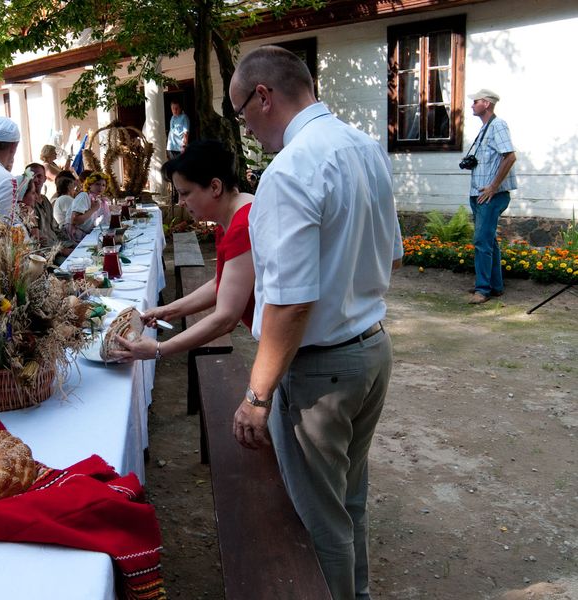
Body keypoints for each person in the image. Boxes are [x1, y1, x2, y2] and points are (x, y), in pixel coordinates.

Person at [228, 46, 402, 600]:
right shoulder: (365, 147)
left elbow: (290, 303)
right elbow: (393, 255)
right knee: (348, 498)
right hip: (371, 349)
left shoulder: (290, 170)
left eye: (240, 112)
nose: (245, 127)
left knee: (318, 519)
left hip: (320, 369)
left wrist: (257, 396)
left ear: (263, 96)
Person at [108, 140, 255, 361]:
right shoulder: (231, 218)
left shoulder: (243, 224)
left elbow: (226, 318)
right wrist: (169, 310)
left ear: (215, 187)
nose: (181, 202)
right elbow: (221, 283)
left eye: (185, 193)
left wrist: (159, 349)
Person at [465, 88, 517, 304]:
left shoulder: (498, 125)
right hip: (479, 194)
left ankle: (482, 289)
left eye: (475, 101)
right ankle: (495, 286)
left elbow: (510, 157)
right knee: (489, 241)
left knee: (481, 241)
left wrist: (493, 187)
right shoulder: (485, 128)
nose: (472, 105)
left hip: (490, 196)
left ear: (486, 103)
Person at [65, 171, 111, 242]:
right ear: (89, 185)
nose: (100, 187)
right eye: (97, 184)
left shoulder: (97, 200)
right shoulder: (84, 196)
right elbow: (75, 220)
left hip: (86, 234)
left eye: (103, 185)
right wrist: (93, 209)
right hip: (74, 235)